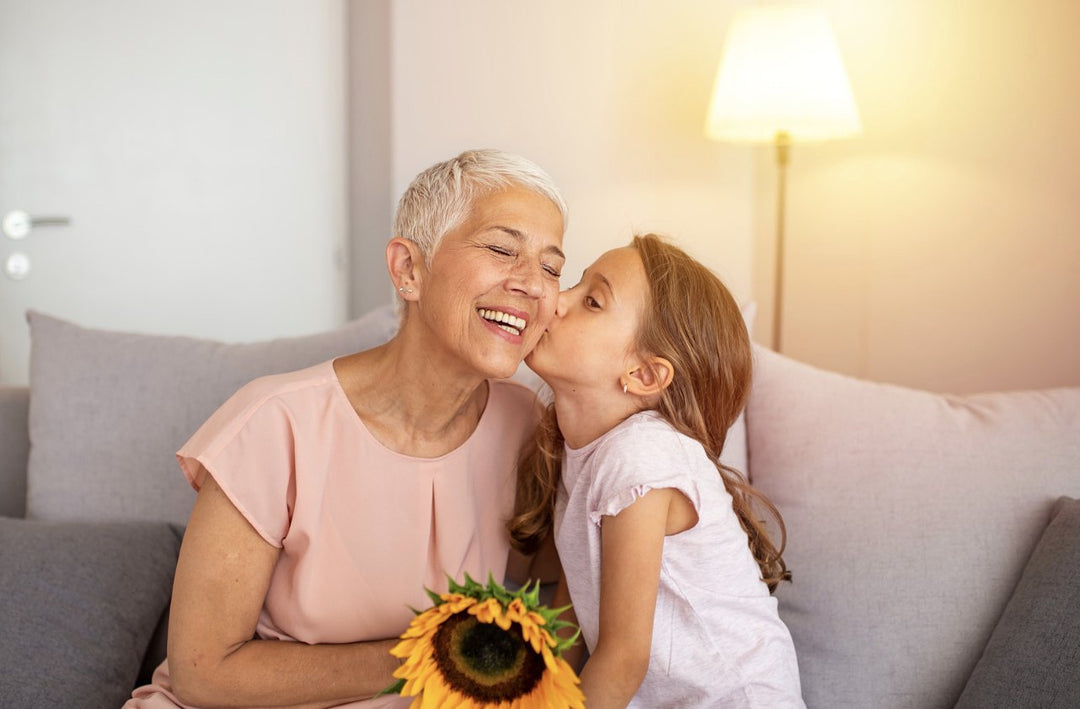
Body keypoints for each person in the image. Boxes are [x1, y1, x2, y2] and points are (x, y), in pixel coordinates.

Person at [125, 149, 568, 709]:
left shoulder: (527, 424)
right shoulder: (275, 423)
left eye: (552, 268)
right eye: (502, 250)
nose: (534, 285)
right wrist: (436, 657)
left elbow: (570, 584)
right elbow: (203, 674)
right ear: (408, 269)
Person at [509, 233, 805, 708]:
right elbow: (572, 607)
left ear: (644, 374)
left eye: (592, 301)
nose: (556, 300)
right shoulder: (580, 448)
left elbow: (624, 659)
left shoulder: (640, 457)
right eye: (576, 285)